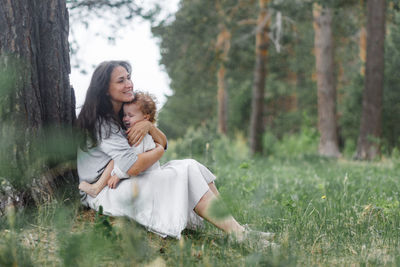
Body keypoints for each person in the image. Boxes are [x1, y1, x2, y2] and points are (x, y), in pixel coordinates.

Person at [76, 60, 275, 242]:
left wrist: (150, 128)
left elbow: (163, 142)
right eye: (121, 80)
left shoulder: (125, 111)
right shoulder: (103, 122)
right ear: (105, 89)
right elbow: (134, 165)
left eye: (128, 77)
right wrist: (159, 150)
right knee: (184, 171)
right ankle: (239, 235)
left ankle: (237, 229)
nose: (129, 84)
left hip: (121, 178)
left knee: (192, 165)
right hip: (104, 191)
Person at [78, 91, 161, 197]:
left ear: (145, 117)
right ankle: (96, 187)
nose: (125, 118)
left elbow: (132, 162)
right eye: (125, 114)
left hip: (144, 173)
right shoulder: (134, 131)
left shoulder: (140, 135)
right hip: (139, 171)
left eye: (130, 115)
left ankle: (97, 188)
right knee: (117, 158)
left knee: (117, 159)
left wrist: (118, 175)